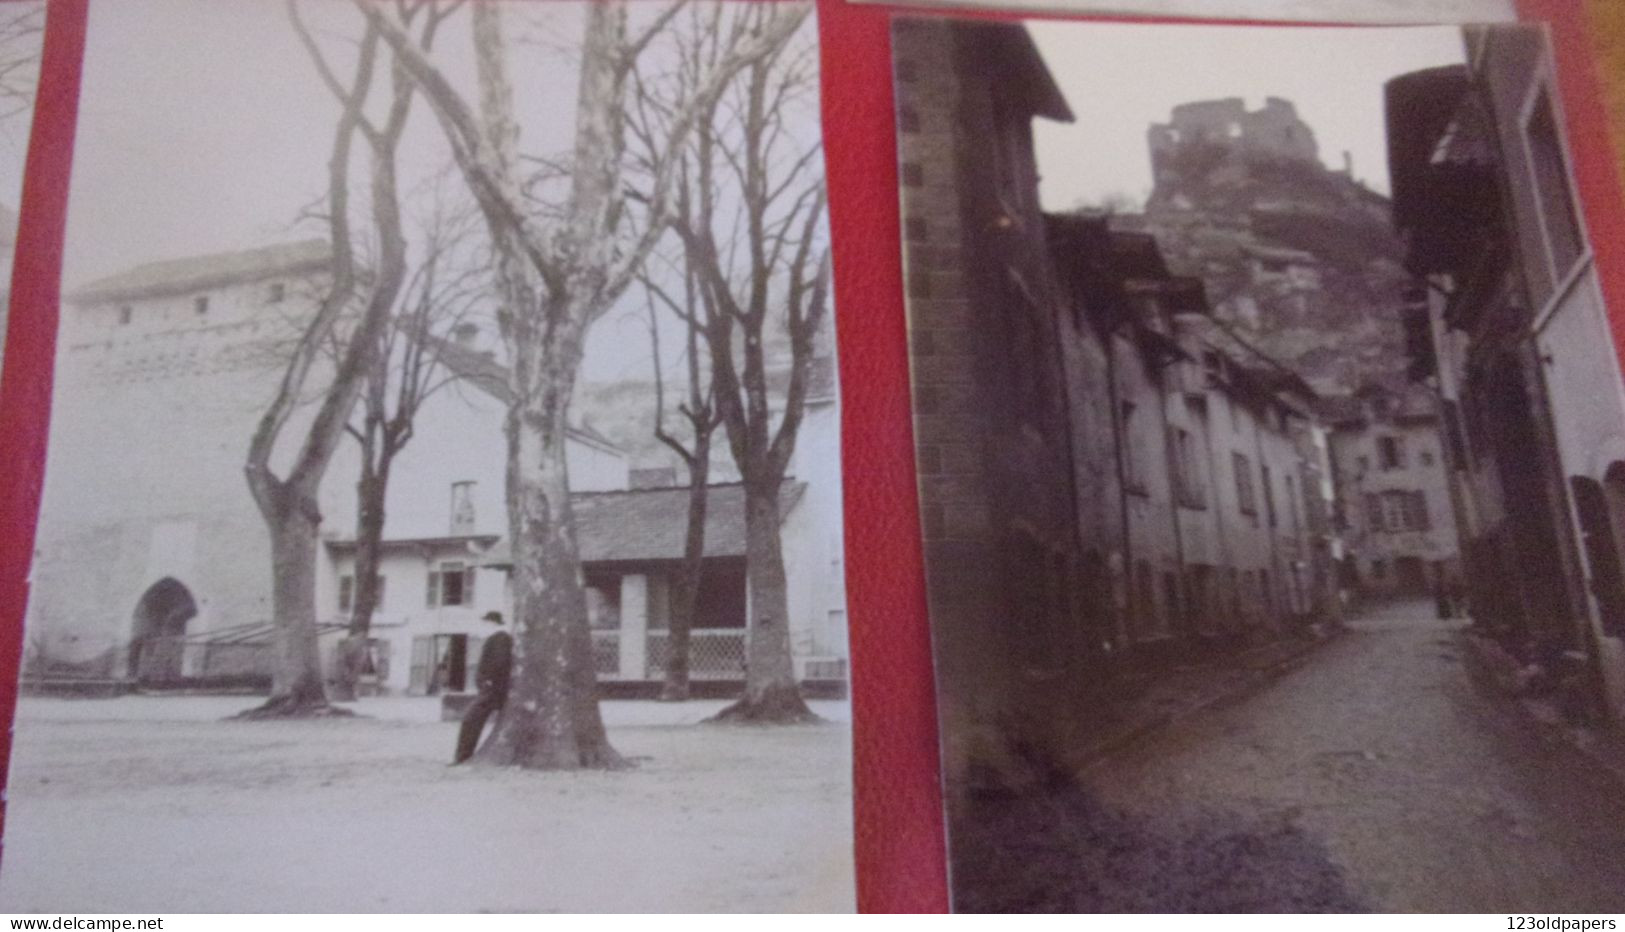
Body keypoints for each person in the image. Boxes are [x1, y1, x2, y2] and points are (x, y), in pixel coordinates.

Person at [452, 611, 513, 764]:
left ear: (492, 623)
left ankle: (462, 757)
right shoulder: (497, 638)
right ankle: (463, 756)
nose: (483, 626)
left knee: (470, 720)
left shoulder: (501, 638)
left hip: (492, 690)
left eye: (485, 622)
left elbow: (500, 661)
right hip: (489, 689)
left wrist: (489, 681)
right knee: (471, 720)